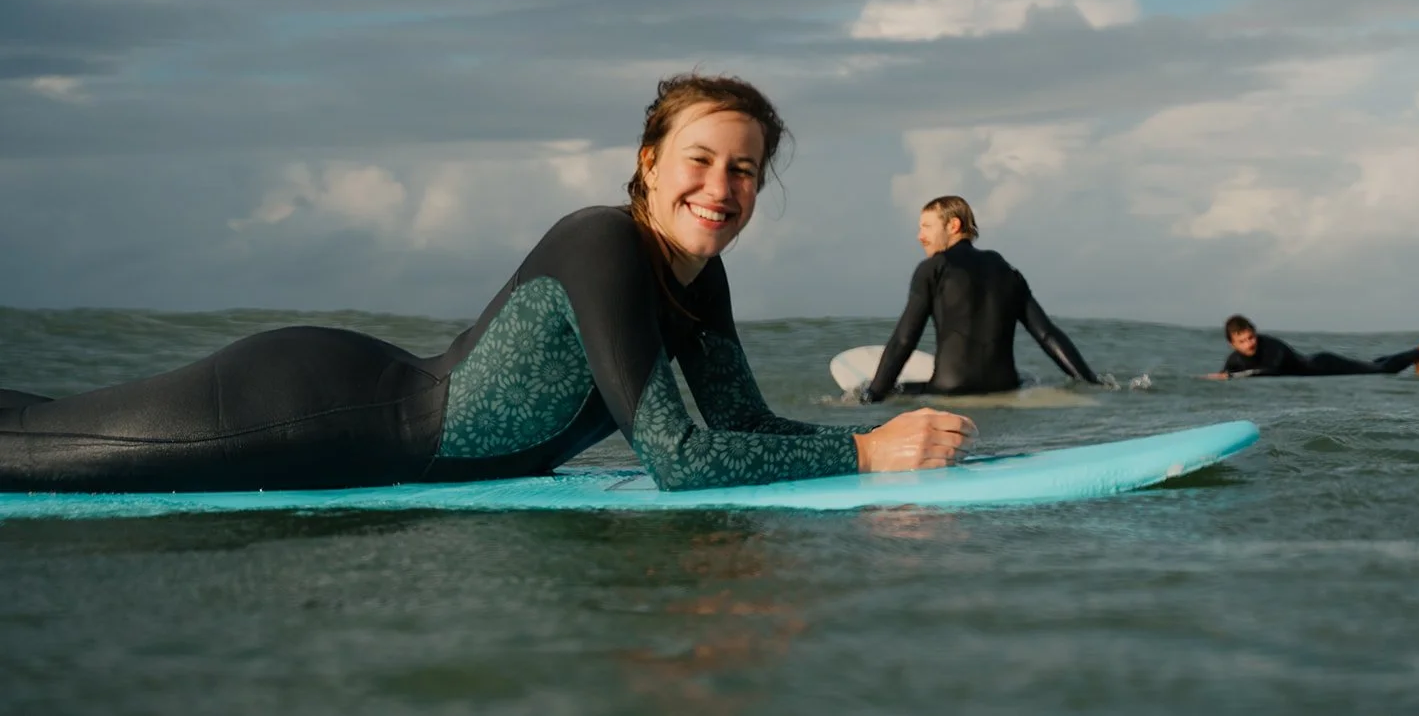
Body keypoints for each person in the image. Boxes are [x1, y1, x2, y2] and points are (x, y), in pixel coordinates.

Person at [0, 73, 977, 494]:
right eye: (699, 158)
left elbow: (740, 425)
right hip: (307, 409)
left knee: (45, 415)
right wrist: (862, 459)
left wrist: (878, 442)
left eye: (745, 168)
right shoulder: (602, 240)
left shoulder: (697, 282)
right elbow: (680, 458)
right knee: (34, 451)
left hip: (353, 415)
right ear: (646, 161)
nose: (719, 186)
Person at [860, 195, 1099, 402]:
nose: (919, 236)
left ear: (953, 225)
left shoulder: (933, 268)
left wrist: (874, 394)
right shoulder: (1007, 270)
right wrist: (1091, 382)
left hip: (949, 391)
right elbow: (1046, 334)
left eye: (927, 226)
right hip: (1005, 387)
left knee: (892, 390)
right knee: (1029, 378)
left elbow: (904, 339)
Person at [1204, 314, 1419, 380]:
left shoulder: (1271, 347)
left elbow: (1273, 371)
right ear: (1232, 343)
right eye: (1242, 341)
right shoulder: (1235, 361)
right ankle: (1414, 357)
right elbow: (1228, 375)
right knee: (1373, 366)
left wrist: (1233, 377)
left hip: (1325, 365)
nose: (1249, 344)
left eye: (1251, 337)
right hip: (1322, 370)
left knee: (1381, 371)